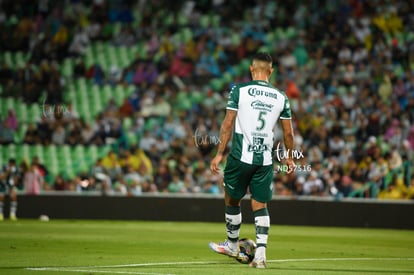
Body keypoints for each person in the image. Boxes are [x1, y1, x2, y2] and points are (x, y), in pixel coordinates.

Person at [208, 52, 295, 268]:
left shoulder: (240, 90)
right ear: (271, 71)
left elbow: (227, 123)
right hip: (264, 160)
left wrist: (219, 153)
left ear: (251, 69)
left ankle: (231, 243)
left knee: (232, 197)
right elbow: (289, 134)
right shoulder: (281, 96)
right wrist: (290, 157)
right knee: (259, 204)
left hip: (239, 157)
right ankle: (261, 255)